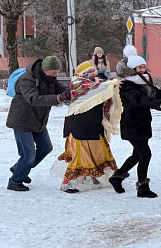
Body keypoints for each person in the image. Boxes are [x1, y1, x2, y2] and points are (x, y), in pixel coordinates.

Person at [109, 45, 161, 198]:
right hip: (132, 124)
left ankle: (117, 177)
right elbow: (140, 100)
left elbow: (158, 93)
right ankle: (142, 188)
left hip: (143, 123)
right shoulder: (126, 84)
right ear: (133, 68)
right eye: (140, 67)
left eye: (144, 66)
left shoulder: (144, 82)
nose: (143, 69)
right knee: (145, 154)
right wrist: (159, 104)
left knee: (137, 155)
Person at [7, 56, 70, 191]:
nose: (56, 74)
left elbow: (61, 90)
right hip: (22, 120)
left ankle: (19, 169)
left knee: (46, 148)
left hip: (38, 120)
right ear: (45, 69)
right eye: (53, 72)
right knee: (28, 154)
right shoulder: (27, 79)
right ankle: (15, 180)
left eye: (57, 71)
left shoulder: (50, 79)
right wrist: (58, 99)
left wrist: (72, 92)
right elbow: (33, 99)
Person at [57, 61, 121, 193]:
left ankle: (92, 176)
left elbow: (103, 93)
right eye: (89, 72)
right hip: (79, 126)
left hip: (93, 124)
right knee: (80, 156)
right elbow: (98, 88)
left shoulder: (98, 84)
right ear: (82, 74)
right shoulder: (78, 83)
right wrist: (112, 83)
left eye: (93, 70)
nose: (93, 73)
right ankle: (66, 183)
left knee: (98, 152)